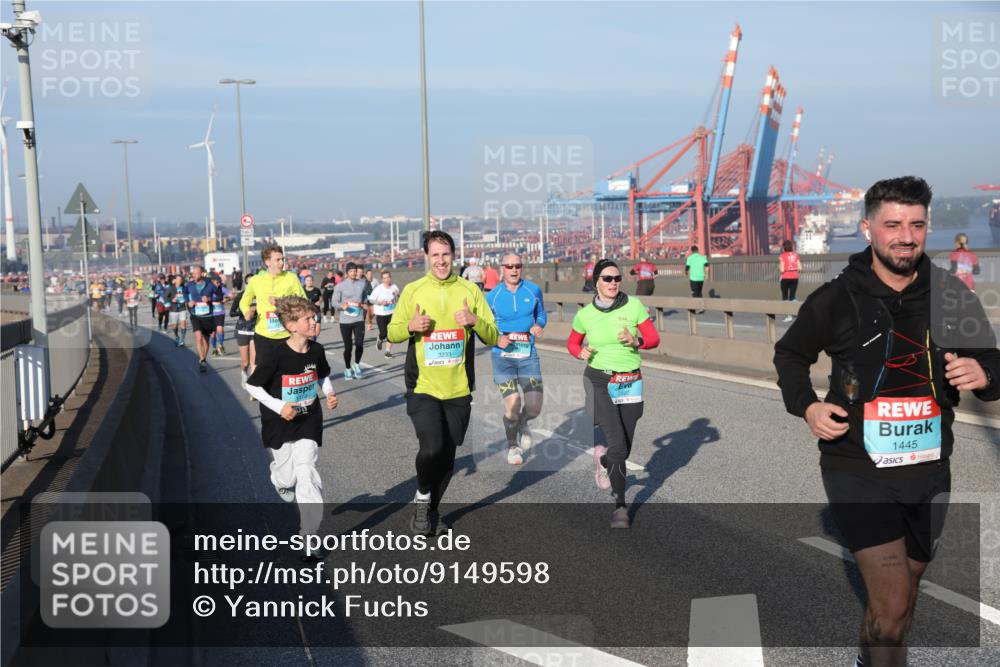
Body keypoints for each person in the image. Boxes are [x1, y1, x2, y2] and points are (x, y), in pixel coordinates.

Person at [773, 176, 1000, 667]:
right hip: (857, 466)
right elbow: (790, 355)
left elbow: (993, 365)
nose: (906, 236)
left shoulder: (951, 295)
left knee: (902, 599)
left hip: (929, 469)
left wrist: (983, 371)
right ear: (867, 229)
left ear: (928, 228)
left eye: (916, 225)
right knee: (893, 602)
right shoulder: (836, 298)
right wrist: (808, 407)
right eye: (892, 224)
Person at [387, 230, 498, 535]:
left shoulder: (470, 291)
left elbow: (493, 335)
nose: (441, 260)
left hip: (458, 387)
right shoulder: (414, 290)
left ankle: (428, 512)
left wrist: (475, 322)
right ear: (426, 257)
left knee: (448, 456)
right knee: (432, 446)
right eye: (435, 255)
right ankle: (422, 497)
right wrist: (410, 325)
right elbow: (393, 333)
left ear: (454, 255)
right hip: (422, 385)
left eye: (445, 254)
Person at [566, 258, 660, 528]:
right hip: (599, 381)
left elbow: (653, 339)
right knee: (618, 443)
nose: (613, 283)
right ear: (596, 281)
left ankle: (604, 458)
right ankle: (620, 505)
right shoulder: (586, 314)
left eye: (617, 278)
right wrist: (579, 351)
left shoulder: (634, 306)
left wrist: (636, 341)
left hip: (631, 381)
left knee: (623, 449)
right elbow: (573, 343)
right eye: (607, 278)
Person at [245, 296, 337, 559]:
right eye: (308, 318)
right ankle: (278, 478)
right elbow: (252, 385)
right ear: (292, 325)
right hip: (279, 423)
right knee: (288, 478)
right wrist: (279, 406)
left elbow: (322, 374)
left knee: (307, 472)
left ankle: (309, 537)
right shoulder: (276, 355)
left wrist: (329, 392)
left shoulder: (316, 350)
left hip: (308, 419)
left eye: (313, 316)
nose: (313, 321)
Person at [487, 253, 547, 465]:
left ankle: (523, 423)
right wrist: (496, 339)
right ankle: (513, 446)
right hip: (502, 358)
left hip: (527, 356)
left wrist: (539, 326)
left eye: (518, 266)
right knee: (512, 403)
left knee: (534, 407)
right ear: (501, 268)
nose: (514, 270)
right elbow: (482, 329)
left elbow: (541, 314)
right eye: (509, 266)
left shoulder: (533, 290)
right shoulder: (491, 296)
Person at [239, 244, 307, 377]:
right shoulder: (256, 280)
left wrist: (281, 302)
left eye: (283, 259)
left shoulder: (291, 278)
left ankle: (284, 397)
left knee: (287, 373)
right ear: (267, 262)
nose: (282, 263)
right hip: (264, 335)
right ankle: (263, 397)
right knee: (265, 373)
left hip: (287, 334)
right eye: (278, 260)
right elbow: (244, 300)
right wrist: (247, 311)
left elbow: (304, 301)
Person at [331, 262, 372, 379]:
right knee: (348, 347)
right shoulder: (340, 286)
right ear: (347, 273)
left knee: (359, 344)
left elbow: (364, 297)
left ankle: (356, 364)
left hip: (359, 318)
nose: (354, 273)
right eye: (351, 271)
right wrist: (341, 306)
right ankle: (348, 368)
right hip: (345, 320)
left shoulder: (362, 283)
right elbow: (334, 302)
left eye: (355, 270)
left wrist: (364, 304)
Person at [186, 265, 224, 374]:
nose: (194, 275)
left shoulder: (210, 284)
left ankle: (203, 359)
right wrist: (188, 302)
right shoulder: (190, 284)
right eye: (193, 273)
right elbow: (184, 293)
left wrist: (209, 298)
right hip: (195, 315)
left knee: (206, 340)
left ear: (202, 273)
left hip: (208, 316)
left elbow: (219, 295)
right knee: (198, 337)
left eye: (196, 273)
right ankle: (202, 360)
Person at [367, 270, 400, 359]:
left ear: (390, 278)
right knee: (384, 333)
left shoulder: (394, 287)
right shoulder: (378, 289)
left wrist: (397, 294)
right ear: (382, 279)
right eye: (385, 278)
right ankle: (380, 338)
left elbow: (398, 295)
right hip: (381, 314)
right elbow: (371, 299)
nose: (387, 279)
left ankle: (387, 351)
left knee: (391, 333)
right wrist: (380, 302)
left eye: (388, 277)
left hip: (392, 313)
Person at [231, 290, 257, 392]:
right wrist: (247, 311)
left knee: (254, 362)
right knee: (245, 363)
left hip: (256, 330)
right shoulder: (241, 296)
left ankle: (253, 386)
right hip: (243, 330)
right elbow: (232, 313)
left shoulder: (261, 294)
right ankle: (244, 375)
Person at [779, 239, 802, 321]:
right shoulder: (796, 255)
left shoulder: (782, 256)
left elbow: (782, 269)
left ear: (784, 248)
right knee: (792, 296)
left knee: (785, 297)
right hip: (795, 277)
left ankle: (788, 316)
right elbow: (800, 268)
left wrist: (781, 269)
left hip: (785, 278)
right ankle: (798, 311)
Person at [208, 273, 230, 357]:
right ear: (212, 282)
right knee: (212, 333)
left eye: (220, 282)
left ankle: (220, 346)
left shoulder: (222, 289)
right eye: (217, 282)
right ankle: (214, 348)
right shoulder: (208, 289)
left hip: (220, 312)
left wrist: (226, 299)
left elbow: (231, 295)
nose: (219, 284)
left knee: (220, 329)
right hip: (210, 314)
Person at [166, 274, 189, 346]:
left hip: (182, 308)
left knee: (183, 323)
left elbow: (188, 295)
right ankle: (176, 336)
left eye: (180, 279)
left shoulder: (184, 288)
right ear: (175, 280)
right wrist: (171, 300)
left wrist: (188, 301)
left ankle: (182, 339)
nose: (179, 281)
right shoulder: (171, 288)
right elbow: (166, 296)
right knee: (174, 325)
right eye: (178, 279)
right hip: (173, 309)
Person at [302, 275, 323, 342]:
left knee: (317, 332)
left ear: (312, 281)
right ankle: (309, 344)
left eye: (310, 280)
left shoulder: (317, 290)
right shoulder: (301, 289)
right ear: (305, 281)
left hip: (316, 312)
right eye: (307, 280)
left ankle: (313, 341)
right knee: (307, 330)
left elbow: (321, 297)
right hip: (306, 313)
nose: (309, 282)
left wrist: (319, 301)